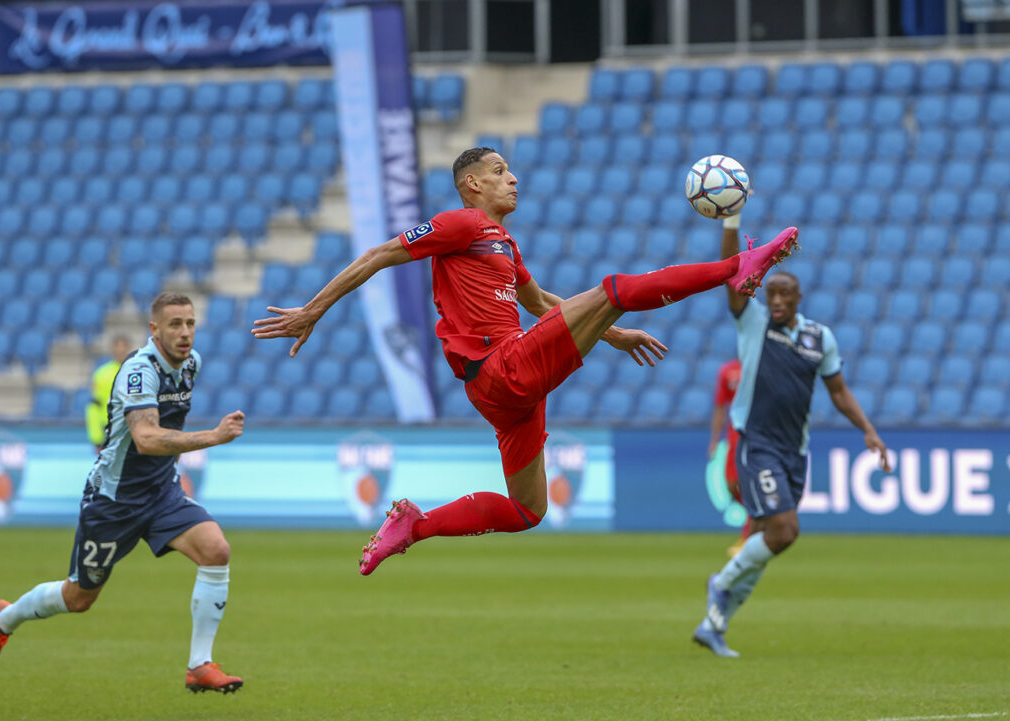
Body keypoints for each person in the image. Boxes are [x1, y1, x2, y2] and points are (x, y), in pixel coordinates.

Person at [251, 146, 798, 576]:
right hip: (502, 368)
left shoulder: (504, 245)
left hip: (511, 395)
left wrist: (613, 332)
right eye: (499, 170)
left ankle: (414, 526)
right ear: (473, 185)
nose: (512, 178)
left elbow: (540, 305)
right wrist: (312, 311)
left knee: (527, 510)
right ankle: (736, 268)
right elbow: (377, 255)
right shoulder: (460, 224)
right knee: (613, 287)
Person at [0, 293, 247, 693]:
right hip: (113, 499)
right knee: (78, 597)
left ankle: (200, 665)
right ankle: (2, 620)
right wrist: (213, 436)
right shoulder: (138, 372)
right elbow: (144, 438)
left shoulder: (191, 365)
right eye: (174, 324)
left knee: (216, 550)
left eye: (190, 323)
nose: (184, 332)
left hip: (161, 492)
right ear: (154, 329)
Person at [692, 215, 890, 659]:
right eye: (771, 292)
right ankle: (719, 585)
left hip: (794, 452)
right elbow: (729, 269)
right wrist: (731, 221)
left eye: (785, 294)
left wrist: (869, 430)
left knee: (767, 540)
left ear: (799, 299)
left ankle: (713, 626)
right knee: (784, 530)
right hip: (756, 443)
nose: (776, 299)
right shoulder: (754, 322)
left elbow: (838, 391)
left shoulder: (821, 338)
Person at [708, 357, 749, 558]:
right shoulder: (728, 370)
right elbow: (719, 406)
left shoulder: (760, 366)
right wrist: (714, 440)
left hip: (756, 432)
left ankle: (747, 538)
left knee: (751, 484)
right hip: (733, 433)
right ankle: (757, 517)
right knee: (732, 485)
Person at [86, 335, 131, 451]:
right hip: (108, 431)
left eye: (123, 347)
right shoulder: (101, 374)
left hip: (132, 431)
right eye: (118, 347)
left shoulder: (136, 372)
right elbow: (94, 407)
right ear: (112, 350)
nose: (121, 351)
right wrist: (96, 438)